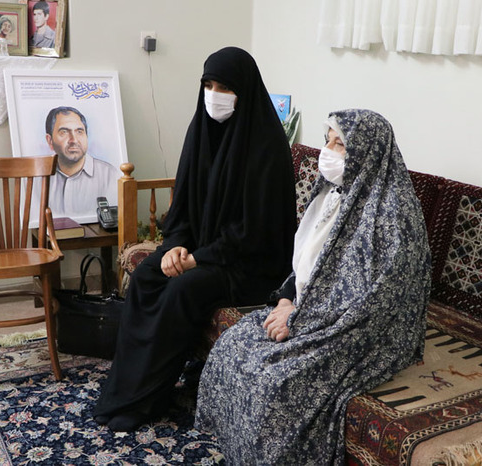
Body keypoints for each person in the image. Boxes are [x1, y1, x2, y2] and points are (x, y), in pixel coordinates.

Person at [195, 109, 432, 464]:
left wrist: (298, 319)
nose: (328, 151)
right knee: (233, 346)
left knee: (276, 380)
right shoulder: (331, 193)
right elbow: (306, 263)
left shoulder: (393, 216)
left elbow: (376, 302)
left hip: (360, 327)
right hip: (308, 307)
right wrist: (286, 300)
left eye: (340, 144)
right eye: (327, 141)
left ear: (367, 152)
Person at [93, 47, 297, 433]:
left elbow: (254, 233)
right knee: (148, 275)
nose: (214, 95)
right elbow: (182, 207)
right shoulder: (200, 130)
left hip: (250, 265)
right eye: (209, 85)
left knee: (183, 289)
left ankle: (147, 398)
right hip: (204, 253)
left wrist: (196, 259)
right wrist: (175, 246)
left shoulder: (267, 146)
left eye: (225, 87)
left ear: (245, 91)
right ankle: (125, 388)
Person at [43, 106, 119, 218]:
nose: (74, 140)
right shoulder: (36, 178)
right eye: (64, 132)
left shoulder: (110, 175)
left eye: (79, 132)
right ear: (50, 141)